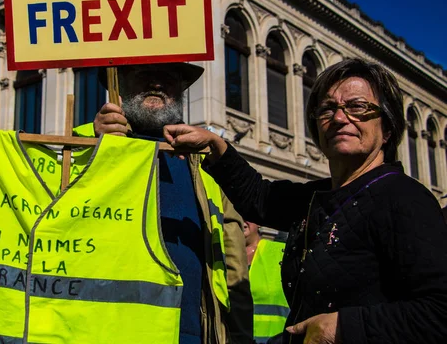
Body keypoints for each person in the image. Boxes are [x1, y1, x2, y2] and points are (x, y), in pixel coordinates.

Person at [163, 58, 447, 344]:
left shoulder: (405, 199)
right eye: (327, 108)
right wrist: (217, 147)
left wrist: (342, 327)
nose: (339, 118)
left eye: (357, 107)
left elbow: (439, 313)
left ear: (387, 128)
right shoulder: (316, 198)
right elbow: (260, 198)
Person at [78, 62, 254, 344]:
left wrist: (241, 337)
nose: (157, 85)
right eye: (145, 74)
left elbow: (233, 267)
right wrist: (92, 150)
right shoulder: (78, 146)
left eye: (169, 78)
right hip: (105, 330)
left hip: (191, 333)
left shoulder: (206, 163)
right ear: (120, 85)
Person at [243, 221, 289, 344]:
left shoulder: (281, 252)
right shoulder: (219, 257)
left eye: (246, 216)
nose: (242, 221)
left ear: (258, 223)